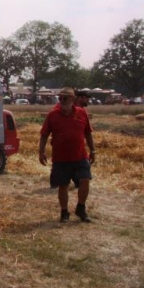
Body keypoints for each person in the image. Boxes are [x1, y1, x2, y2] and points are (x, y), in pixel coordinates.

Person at [39, 87, 96, 222]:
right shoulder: (52, 115)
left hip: (81, 156)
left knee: (85, 180)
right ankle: (64, 212)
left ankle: (81, 208)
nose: (62, 101)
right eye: (60, 98)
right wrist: (41, 152)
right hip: (61, 157)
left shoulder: (82, 113)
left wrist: (93, 150)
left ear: (72, 99)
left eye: (65, 98)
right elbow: (44, 135)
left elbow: (88, 133)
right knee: (63, 186)